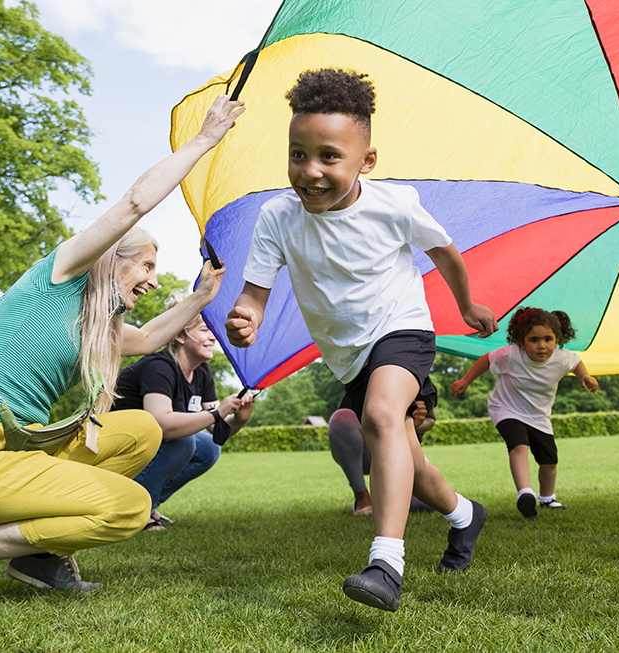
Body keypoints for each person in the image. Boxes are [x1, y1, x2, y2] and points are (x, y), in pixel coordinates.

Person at [0, 95, 245, 607]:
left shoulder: (96, 323)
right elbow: (135, 202)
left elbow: (152, 338)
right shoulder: (61, 276)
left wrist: (202, 297)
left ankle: (37, 558)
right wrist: (204, 141)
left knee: (139, 429)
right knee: (129, 508)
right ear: (114, 259)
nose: (154, 283)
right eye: (147, 268)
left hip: (16, 451)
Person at [225, 68, 498, 613]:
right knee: (409, 464)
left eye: (329, 156)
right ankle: (465, 516)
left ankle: (386, 564)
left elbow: (444, 252)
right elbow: (254, 293)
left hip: (402, 328)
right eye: (297, 154)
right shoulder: (277, 217)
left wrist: (466, 305)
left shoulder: (393, 205)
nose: (310, 171)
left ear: (365, 161)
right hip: (347, 355)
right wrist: (244, 315)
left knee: (379, 416)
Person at [112, 291, 256, 531]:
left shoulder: (202, 372)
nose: (213, 338)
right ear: (180, 335)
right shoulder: (160, 367)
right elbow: (161, 423)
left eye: (213, 331)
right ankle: (134, 511)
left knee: (209, 448)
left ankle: (148, 503)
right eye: (204, 331)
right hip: (115, 443)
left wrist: (238, 420)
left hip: (147, 443)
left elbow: (216, 430)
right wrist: (217, 413)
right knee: (183, 441)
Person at [450, 308, 598, 518]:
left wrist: (585, 376)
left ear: (557, 339)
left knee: (549, 461)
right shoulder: (510, 354)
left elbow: (576, 362)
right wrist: (466, 380)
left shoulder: (561, 358)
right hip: (506, 409)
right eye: (534, 340)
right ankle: (525, 493)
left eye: (548, 339)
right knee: (518, 445)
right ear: (521, 341)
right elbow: (486, 360)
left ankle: (547, 498)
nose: (542, 346)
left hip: (539, 417)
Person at [328, 402, 437, 516]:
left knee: (429, 503)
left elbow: (431, 419)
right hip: (368, 448)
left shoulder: (424, 386)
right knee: (341, 419)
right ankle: (362, 496)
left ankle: (392, 494)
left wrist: (418, 422)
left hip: (403, 451)